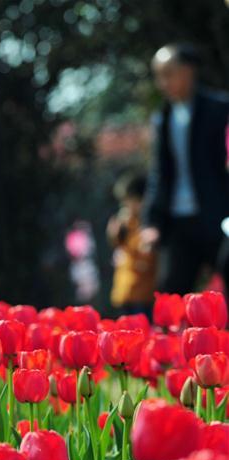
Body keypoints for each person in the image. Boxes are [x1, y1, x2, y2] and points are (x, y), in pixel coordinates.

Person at [141, 43, 229, 294]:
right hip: (178, 221)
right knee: (172, 293)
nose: (162, 82)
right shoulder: (163, 118)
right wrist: (152, 222)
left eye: (168, 73)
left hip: (218, 216)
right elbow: (159, 173)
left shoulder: (220, 110)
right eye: (158, 75)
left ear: (189, 71)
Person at [107, 172, 156, 315]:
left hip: (142, 293)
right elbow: (118, 246)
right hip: (124, 290)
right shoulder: (125, 222)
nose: (126, 205)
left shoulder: (148, 223)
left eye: (129, 200)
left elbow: (145, 254)